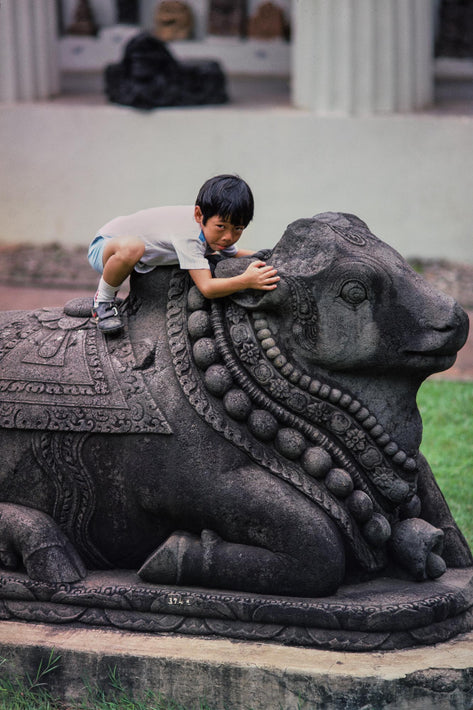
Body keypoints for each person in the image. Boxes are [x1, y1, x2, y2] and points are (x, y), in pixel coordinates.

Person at [87, 174, 279, 334]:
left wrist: (270, 257)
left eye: (238, 229)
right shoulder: (190, 236)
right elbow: (207, 288)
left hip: (133, 252)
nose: (228, 237)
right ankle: (103, 301)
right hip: (106, 246)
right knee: (133, 248)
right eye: (221, 227)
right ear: (199, 215)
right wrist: (247, 280)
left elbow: (234, 253)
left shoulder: (214, 233)